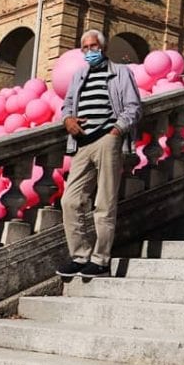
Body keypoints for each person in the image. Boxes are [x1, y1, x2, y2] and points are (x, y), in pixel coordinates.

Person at [56, 29, 141, 278]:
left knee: (104, 203)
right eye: (85, 48)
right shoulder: (79, 75)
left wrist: (116, 130)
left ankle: (101, 260)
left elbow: (134, 107)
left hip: (107, 140)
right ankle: (80, 255)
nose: (89, 51)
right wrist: (67, 120)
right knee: (70, 200)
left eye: (93, 47)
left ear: (102, 49)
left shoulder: (121, 72)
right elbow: (67, 104)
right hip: (82, 143)